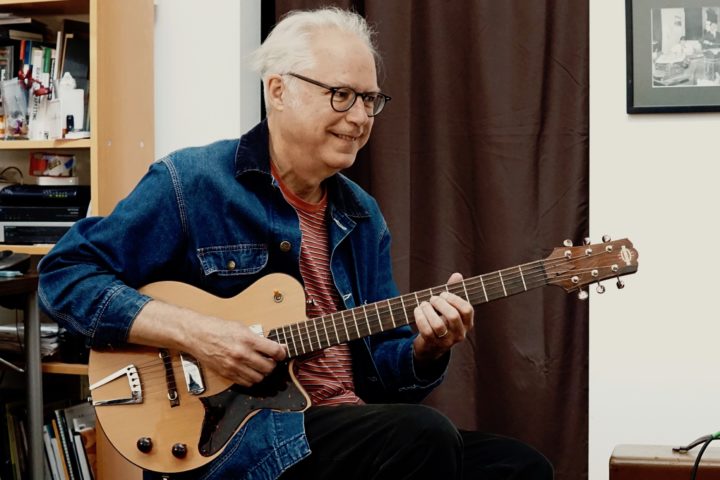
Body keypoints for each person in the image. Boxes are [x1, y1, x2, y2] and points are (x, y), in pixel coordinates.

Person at [38, 7, 553, 480]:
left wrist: (427, 348)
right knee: (422, 434)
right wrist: (199, 334)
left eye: (370, 100)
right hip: (236, 439)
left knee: (519, 466)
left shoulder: (361, 215)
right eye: (342, 94)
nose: (360, 117)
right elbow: (65, 276)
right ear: (279, 90)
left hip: (342, 425)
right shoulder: (192, 182)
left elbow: (381, 376)